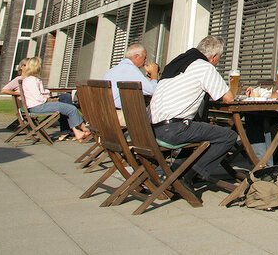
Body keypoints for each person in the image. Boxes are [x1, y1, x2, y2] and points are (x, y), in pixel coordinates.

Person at [149, 35, 239, 193]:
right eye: (219, 58)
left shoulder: (178, 63)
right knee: (228, 136)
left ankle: (175, 174)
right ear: (213, 57)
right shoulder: (204, 67)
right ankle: (190, 176)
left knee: (198, 130)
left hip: (152, 129)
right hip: (173, 130)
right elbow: (228, 98)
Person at [13, 57, 91, 141]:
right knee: (71, 108)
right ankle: (83, 128)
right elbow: (38, 97)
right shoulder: (31, 80)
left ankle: (76, 131)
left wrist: (48, 95)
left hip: (38, 104)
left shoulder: (32, 79)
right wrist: (51, 100)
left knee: (66, 102)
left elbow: (42, 93)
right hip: (38, 106)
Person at [102, 43, 159, 123]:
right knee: (154, 118)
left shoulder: (114, 70)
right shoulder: (130, 69)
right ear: (136, 56)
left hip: (105, 113)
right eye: (144, 57)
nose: (146, 60)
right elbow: (153, 91)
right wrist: (154, 74)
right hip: (117, 116)